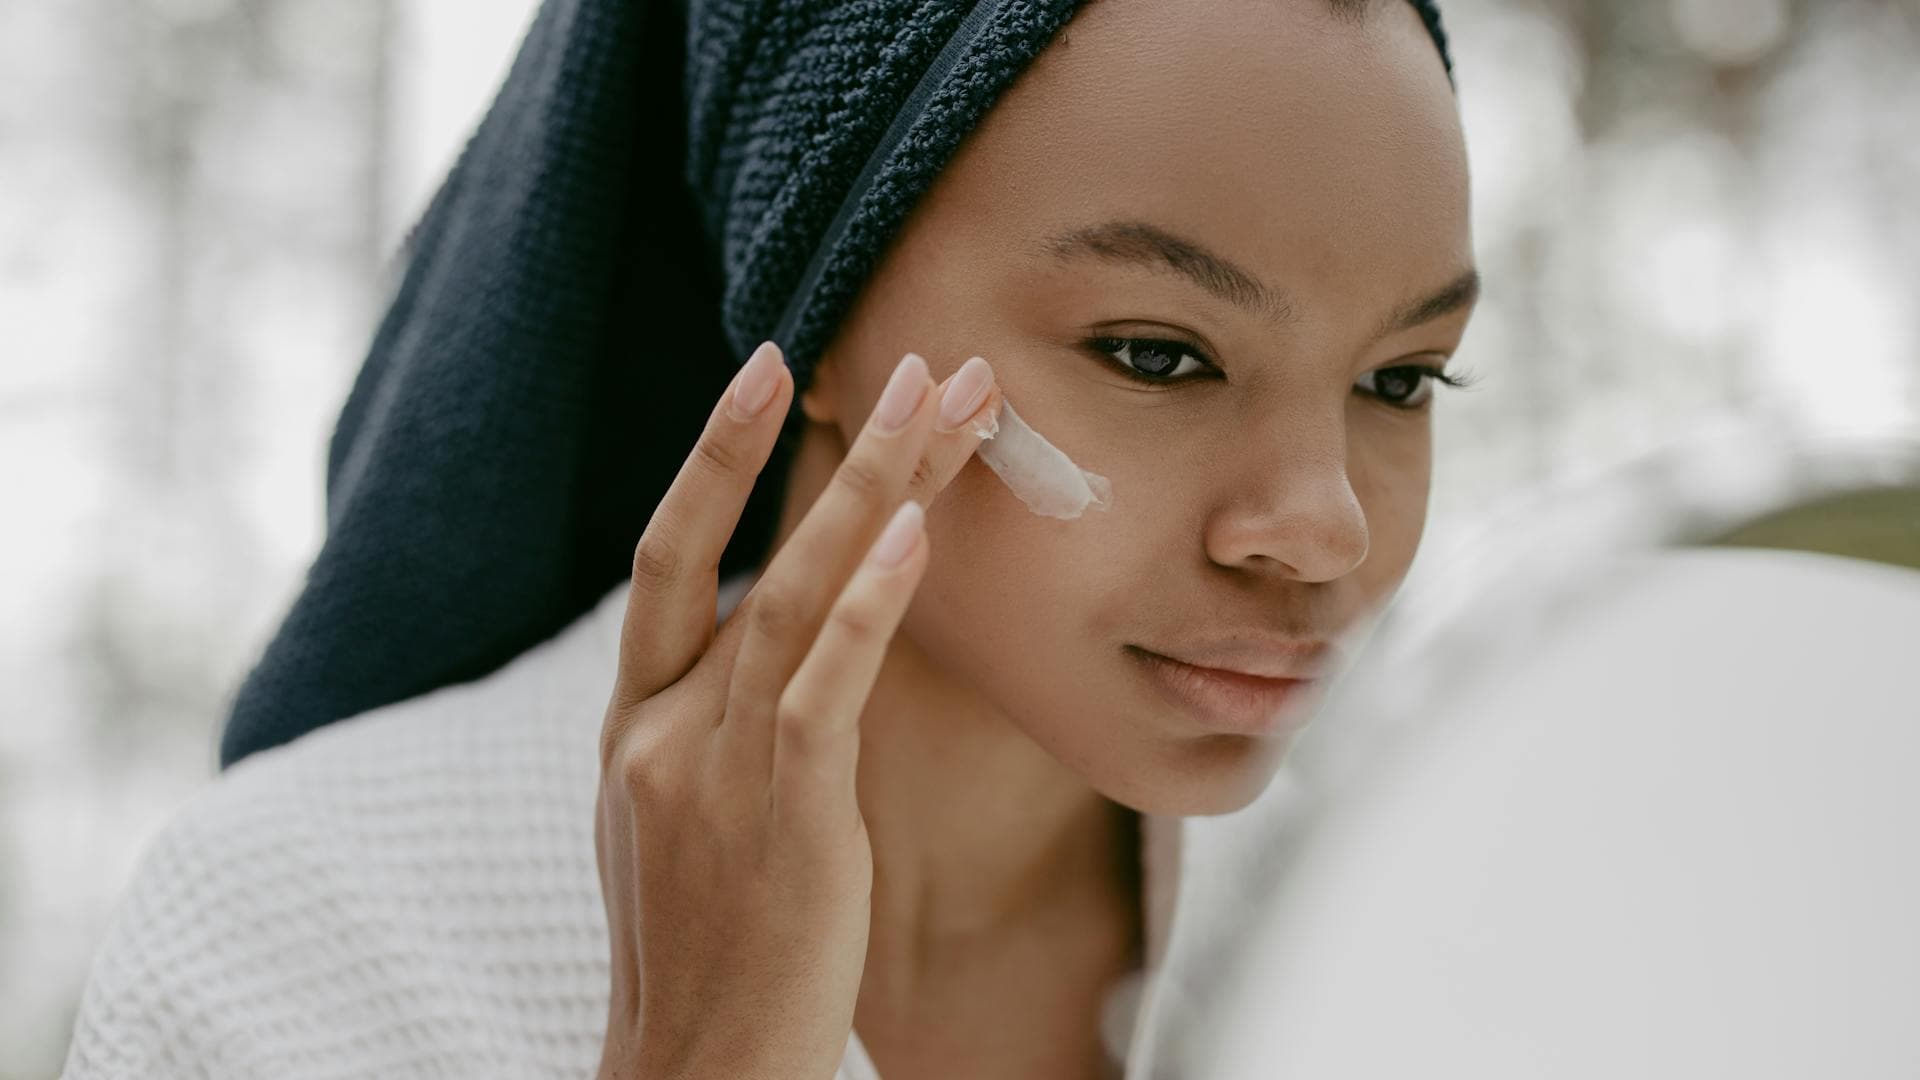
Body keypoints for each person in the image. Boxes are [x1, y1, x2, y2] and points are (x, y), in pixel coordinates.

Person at [62, 0, 1476, 1077]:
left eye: (1399, 380)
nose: (1323, 527)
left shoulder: (1443, 912)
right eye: (1159, 356)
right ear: (822, 332)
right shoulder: (294, 941)